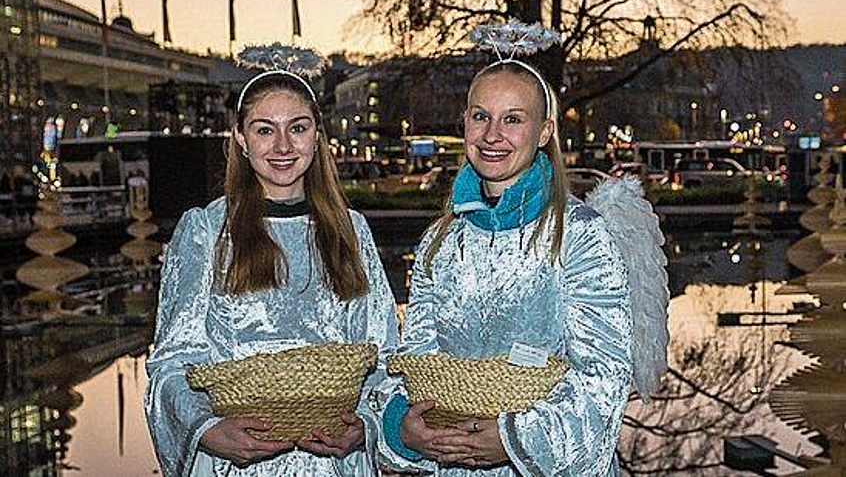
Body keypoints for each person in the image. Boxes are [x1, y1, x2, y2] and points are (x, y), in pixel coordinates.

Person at [376, 56, 668, 475]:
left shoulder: (581, 234)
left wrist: (515, 440)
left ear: (544, 130)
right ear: (465, 124)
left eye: (513, 119)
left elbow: (603, 377)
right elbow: (417, 362)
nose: (493, 135)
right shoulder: (439, 242)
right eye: (481, 116)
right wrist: (405, 429)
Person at [145, 61, 399, 476]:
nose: (282, 145)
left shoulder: (351, 231)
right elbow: (172, 361)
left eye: (297, 128)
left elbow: (382, 352)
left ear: (317, 137)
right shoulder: (206, 231)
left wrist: (366, 426)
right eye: (265, 129)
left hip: (333, 464)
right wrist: (206, 429)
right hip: (238, 465)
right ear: (241, 140)